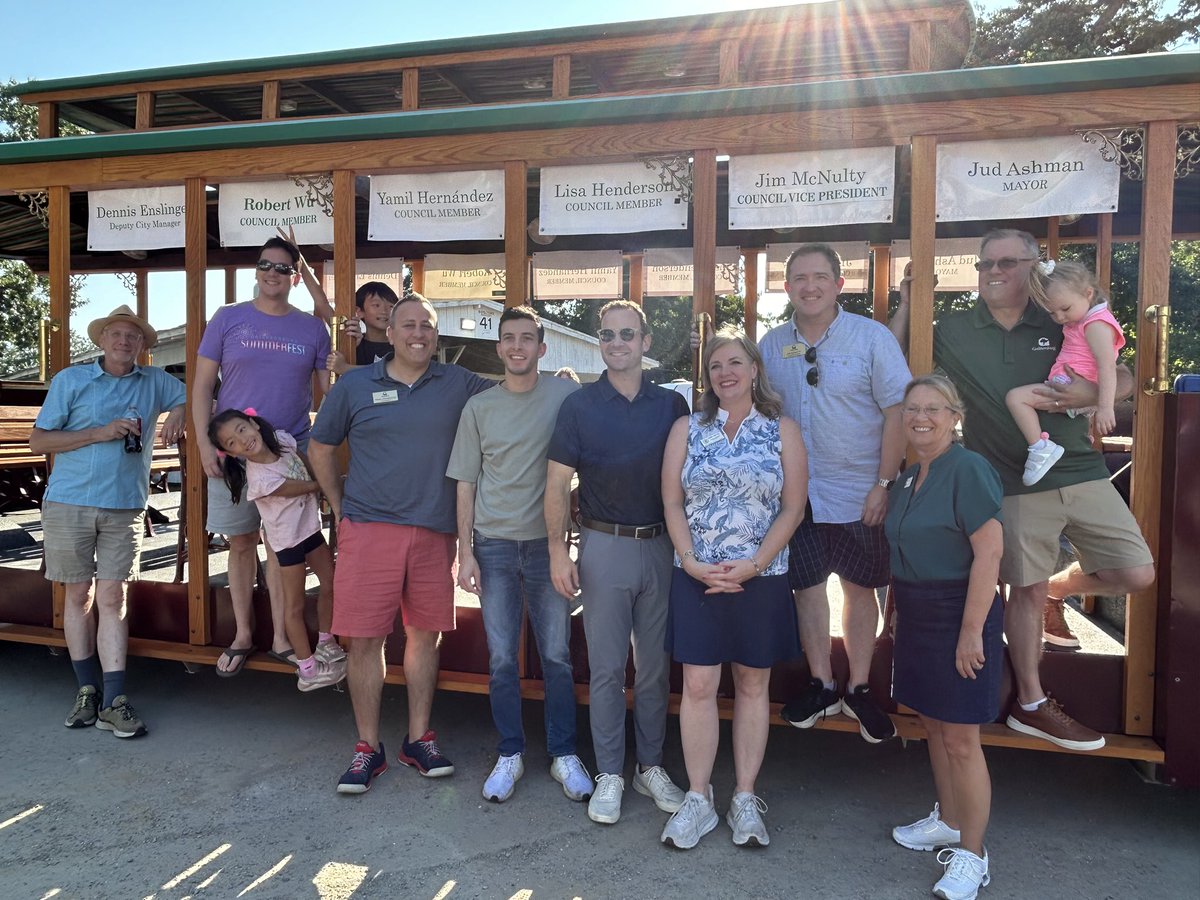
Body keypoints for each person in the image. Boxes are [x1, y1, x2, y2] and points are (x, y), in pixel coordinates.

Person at [891, 228, 1155, 748]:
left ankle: (1064, 589)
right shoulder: (956, 327)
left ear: (1034, 266)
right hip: (1010, 481)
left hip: (1081, 468)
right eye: (985, 263)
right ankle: (1032, 703)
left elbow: (1121, 373)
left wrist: (1093, 393)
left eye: (1008, 262)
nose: (994, 272)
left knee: (1136, 572)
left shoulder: (1060, 314)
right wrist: (905, 303)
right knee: (1026, 589)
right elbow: (895, 355)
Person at [308, 293, 492, 795]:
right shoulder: (355, 385)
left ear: (436, 334)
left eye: (427, 326)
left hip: (435, 530)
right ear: (388, 333)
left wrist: (560, 384)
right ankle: (368, 747)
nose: (418, 334)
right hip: (369, 529)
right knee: (364, 640)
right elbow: (320, 447)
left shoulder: (459, 382)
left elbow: (513, 392)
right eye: (408, 325)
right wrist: (339, 505)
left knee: (424, 636)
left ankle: (418, 739)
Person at [659, 327, 807, 850]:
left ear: (754, 370)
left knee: (751, 684)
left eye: (735, 363)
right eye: (716, 365)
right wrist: (692, 563)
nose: (725, 373)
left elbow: (793, 507)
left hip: (760, 578)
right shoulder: (687, 429)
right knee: (698, 685)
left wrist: (755, 564)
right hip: (697, 576)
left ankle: (744, 797)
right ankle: (698, 798)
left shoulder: (782, 430)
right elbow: (672, 502)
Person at [758, 243, 910, 743]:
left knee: (860, 588)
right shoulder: (770, 345)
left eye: (820, 277)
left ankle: (859, 688)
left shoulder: (872, 337)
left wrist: (883, 484)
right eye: (799, 278)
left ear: (840, 284)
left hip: (859, 491)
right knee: (806, 589)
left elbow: (897, 412)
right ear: (786, 288)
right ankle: (822, 685)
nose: (810, 286)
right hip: (796, 497)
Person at [546, 300, 689, 826]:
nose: (617, 343)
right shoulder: (579, 406)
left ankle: (649, 766)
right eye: (607, 335)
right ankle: (610, 772)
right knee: (606, 669)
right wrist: (558, 550)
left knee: (654, 669)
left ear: (646, 342)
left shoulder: (671, 405)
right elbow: (557, 482)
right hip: (603, 545)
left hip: (661, 546)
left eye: (628, 334)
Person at [447, 306, 592, 805]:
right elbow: (465, 483)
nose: (517, 346)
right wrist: (465, 552)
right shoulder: (479, 408)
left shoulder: (566, 397)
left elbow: (591, 458)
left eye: (526, 338)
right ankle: (510, 752)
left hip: (548, 548)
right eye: (509, 338)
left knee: (556, 656)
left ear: (542, 348)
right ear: (499, 347)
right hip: (493, 546)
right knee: (503, 658)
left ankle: (562, 753)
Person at [31, 305, 186, 738]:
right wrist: (98, 432)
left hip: (124, 504)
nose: (123, 341)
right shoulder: (71, 380)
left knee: (114, 596)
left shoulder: (155, 381)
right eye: (116, 334)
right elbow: (38, 440)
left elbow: (202, 393)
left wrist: (179, 410)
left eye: (132, 336)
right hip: (69, 502)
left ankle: (114, 700)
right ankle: (87, 690)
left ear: (142, 346)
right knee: (78, 594)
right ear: (101, 340)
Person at [885, 375, 1004, 900]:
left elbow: (989, 554)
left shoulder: (968, 468)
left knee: (960, 738)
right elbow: (904, 548)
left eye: (933, 408)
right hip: (916, 611)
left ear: (954, 417)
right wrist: (896, 607)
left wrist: (971, 632)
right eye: (912, 408)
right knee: (933, 724)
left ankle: (973, 856)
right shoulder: (911, 475)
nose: (921, 417)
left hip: (959, 612)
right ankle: (950, 822)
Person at [191, 236, 331, 677]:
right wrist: (204, 444)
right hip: (233, 455)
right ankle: (242, 635)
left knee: (283, 547)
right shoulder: (228, 317)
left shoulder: (312, 328)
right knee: (240, 542)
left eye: (283, 268)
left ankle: (283, 640)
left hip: (289, 454)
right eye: (266, 265)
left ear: (295, 276)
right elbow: (201, 386)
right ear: (256, 270)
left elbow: (330, 393)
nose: (273, 273)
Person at [208, 409, 345, 693]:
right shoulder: (260, 479)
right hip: (288, 544)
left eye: (242, 429)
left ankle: (325, 641)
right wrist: (327, 483)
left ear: (254, 423)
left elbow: (304, 463)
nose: (242, 440)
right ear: (230, 453)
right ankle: (308, 669)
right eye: (232, 442)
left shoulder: (283, 440)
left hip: (310, 530)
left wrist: (319, 474)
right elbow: (300, 486)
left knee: (331, 583)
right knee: (294, 606)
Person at [1004, 260, 1125, 486]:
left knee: (1016, 398)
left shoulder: (1095, 325)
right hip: (1070, 383)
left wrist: (1105, 407)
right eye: (1052, 313)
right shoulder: (1084, 318)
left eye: (1065, 309)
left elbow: (1107, 366)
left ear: (1088, 294)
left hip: (1067, 385)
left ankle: (1040, 448)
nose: (1059, 317)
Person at [327, 281, 399, 375]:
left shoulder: (401, 345)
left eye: (391, 306)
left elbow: (394, 373)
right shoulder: (353, 343)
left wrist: (345, 368)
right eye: (376, 305)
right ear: (359, 311)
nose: (384, 311)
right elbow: (322, 305)